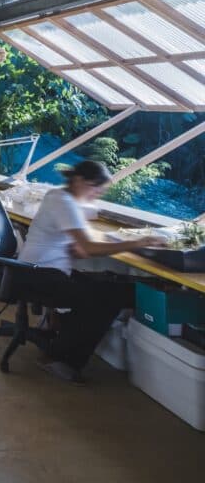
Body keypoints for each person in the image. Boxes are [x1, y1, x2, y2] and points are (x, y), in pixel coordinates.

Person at [17, 159, 167, 383]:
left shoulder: (58, 197)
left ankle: (58, 346)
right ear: (79, 181)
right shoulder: (64, 202)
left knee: (107, 286)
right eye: (95, 188)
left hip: (34, 271)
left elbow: (81, 248)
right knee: (105, 297)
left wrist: (82, 247)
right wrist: (138, 242)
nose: (97, 194)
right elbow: (89, 248)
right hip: (41, 276)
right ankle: (61, 359)